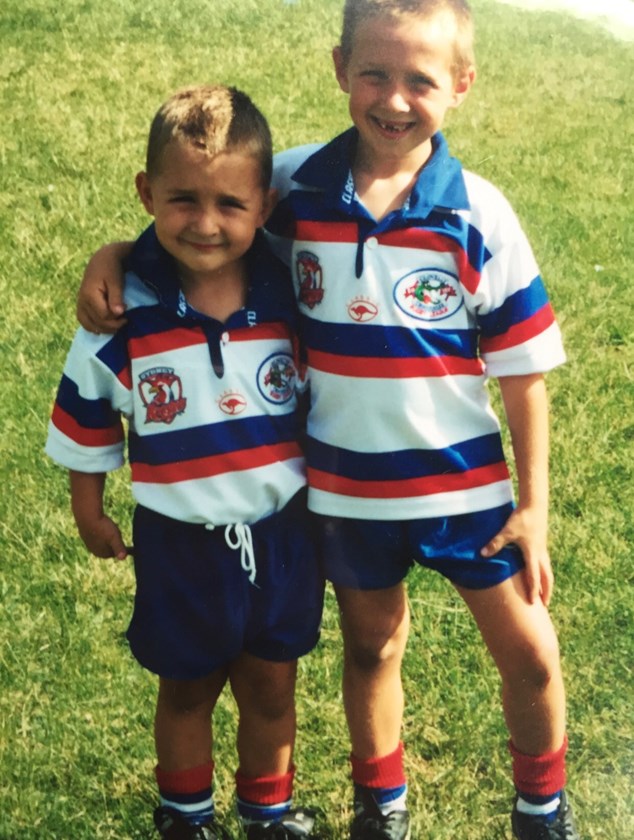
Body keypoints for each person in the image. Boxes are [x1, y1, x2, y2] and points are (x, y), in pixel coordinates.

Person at [75, 2, 583, 839]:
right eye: (375, 73)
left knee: (529, 651)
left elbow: (525, 374)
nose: (394, 98)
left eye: (420, 79)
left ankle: (541, 809)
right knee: (373, 649)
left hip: (468, 490)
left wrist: (534, 507)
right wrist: (117, 255)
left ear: (460, 85)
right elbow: (206, 222)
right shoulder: (297, 189)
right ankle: (380, 810)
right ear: (341, 67)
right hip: (345, 491)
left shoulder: (479, 214)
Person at [46, 84, 325, 840]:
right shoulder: (122, 311)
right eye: (182, 200)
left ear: (263, 205)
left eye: (230, 204)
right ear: (145, 192)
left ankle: (266, 813)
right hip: (180, 542)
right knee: (187, 690)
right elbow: (88, 407)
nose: (206, 224)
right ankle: (186, 816)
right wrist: (87, 505)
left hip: (281, 533)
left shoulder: (289, 294)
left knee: (272, 687)